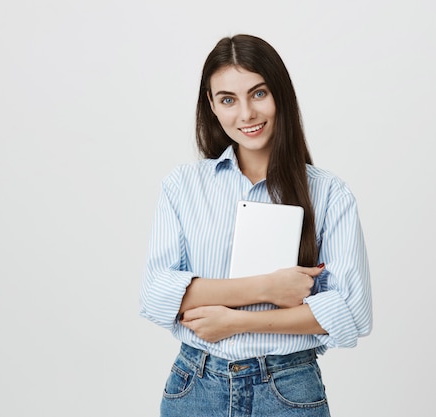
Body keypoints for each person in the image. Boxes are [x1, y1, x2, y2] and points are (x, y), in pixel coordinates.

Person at [139, 34, 372, 417]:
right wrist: (268, 287)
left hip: (288, 388)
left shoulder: (329, 193)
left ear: (280, 95)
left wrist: (235, 321)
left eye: (258, 93)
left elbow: (351, 313)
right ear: (212, 106)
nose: (246, 114)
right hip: (195, 387)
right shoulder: (183, 186)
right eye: (228, 99)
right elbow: (156, 295)